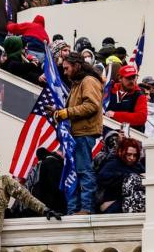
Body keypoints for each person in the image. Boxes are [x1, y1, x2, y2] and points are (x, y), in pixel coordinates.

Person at [49, 52, 103, 215]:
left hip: (84, 134)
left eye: (66, 68)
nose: (64, 72)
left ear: (76, 66)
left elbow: (92, 106)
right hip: (75, 135)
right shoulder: (77, 83)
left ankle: (86, 208)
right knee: (74, 171)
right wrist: (58, 112)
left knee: (84, 171)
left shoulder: (89, 81)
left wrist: (66, 113)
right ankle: (74, 208)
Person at [96, 137, 145, 214]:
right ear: (122, 152)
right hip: (112, 205)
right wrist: (127, 177)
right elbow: (101, 178)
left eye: (135, 155)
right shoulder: (113, 163)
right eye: (129, 154)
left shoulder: (138, 166)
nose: (132, 158)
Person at [105, 65, 148, 132]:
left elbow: (141, 118)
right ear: (120, 78)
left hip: (131, 137)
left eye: (133, 77)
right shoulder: (110, 90)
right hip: (108, 133)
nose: (131, 81)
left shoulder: (139, 95)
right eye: (128, 78)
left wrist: (115, 115)